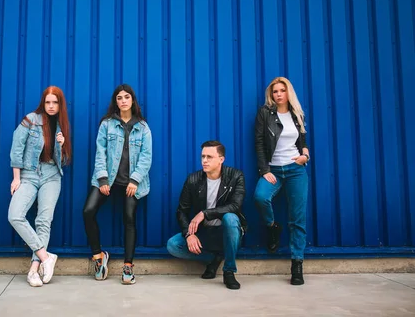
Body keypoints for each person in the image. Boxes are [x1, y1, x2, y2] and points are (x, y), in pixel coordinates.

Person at [82, 84, 152, 285]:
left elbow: (146, 157)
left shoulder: (143, 127)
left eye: (126, 97)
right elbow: (100, 152)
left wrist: (135, 180)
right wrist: (102, 179)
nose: (123, 100)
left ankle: (128, 266)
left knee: (129, 217)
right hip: (108, 179)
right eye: (119, 98)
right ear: (116, 101)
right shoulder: (107, 124)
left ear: (132, 100)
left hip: (131, 182)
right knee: (88, 211)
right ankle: (98, 257)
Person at [8, 86, 72, 287]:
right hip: (28, 174)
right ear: (43, 103)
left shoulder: (62, 126)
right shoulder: (30, 120)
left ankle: (34, 270)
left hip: (52, 176)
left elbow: (64, 161)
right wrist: (16, 178)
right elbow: (16, 148)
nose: (51, 106)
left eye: (55, 102)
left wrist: (61, 146)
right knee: (15, 215)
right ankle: (46, 257)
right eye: (48, 102)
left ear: (60, 105)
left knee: (43, 221)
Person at [166, 141, 247, 290]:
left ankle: (229, 271)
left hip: (228, 233)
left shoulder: (236, 176)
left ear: (221, 159)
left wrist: (205, 213)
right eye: (203, 156)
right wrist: (188, 234)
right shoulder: (193, 179)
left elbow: (235, 206)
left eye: (209, 157)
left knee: (230, 218)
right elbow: (181, 211)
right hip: (205, 233)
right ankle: (215, 258)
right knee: (173, 245)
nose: (204, 160)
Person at [253, 77, 310, 285]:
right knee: (260, 197)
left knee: (297, 219)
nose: (278, 94)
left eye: (282, 91)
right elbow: (259, 142)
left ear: (288, 93)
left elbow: (302, 139)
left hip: (296, 169)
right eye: (275, 91)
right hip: (274, 170)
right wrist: (264, 169)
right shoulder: (265, 113)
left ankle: (297, 265)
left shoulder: (296, 113)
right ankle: (272, 227)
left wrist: (305, 155)